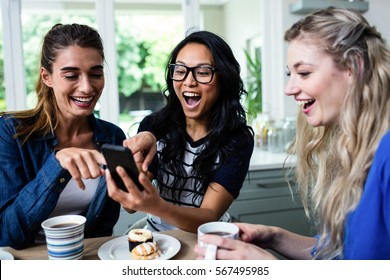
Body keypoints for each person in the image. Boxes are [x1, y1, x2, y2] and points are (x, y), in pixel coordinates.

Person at [194, 7, 390, 260]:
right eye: (290, 74)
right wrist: (275, 237)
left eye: (304, 73)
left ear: (354, 66)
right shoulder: (358, 149)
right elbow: (342, 254)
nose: (289, 88)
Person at [0, 23, 155, 249]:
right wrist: (56, 165)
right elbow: (6, 234)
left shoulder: (112, 136)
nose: (86, 87)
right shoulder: (10, 132)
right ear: (47, 77)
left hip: (90, 257)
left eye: (96, 74)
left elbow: (131, 205)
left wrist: (138, 183)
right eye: (71, 75)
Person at [106, 30, 254, 233]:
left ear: (224, 79)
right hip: (158, 235)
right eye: (180, 70)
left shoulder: (238, 139)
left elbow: (209, 215)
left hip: (209, 236)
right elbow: (130, 207)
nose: (189, 81)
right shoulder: (154, 127)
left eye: (203, 72)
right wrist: (129, 176)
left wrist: (157, 206)